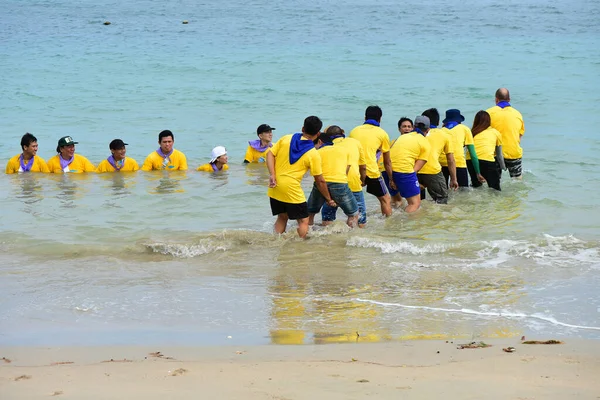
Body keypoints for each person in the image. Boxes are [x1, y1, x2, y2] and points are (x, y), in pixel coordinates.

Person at [267, 116, 335, 239]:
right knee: (304, 220)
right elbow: (320, 180)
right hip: (292, 189)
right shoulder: (313, 153)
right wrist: (328, 198)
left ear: (303, 128)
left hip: (275, 186)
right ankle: (301, 247)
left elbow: (270, 153)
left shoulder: (286, 139)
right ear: (318, 133)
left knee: (282, 217)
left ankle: (275, 243)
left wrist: (272, 174)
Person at [307, 126, 359, 228]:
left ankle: (307, 235)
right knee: (353, 214)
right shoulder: (344, 150)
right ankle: (350, 238)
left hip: (320, 184)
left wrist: (328, 197)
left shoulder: (316, 153)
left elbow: (314, 172)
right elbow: (346, 170)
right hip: (340, 184)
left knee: (309, 213)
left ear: (320, 142)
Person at [349, 105, 393, 216]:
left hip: (354, 171)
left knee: (354, 203)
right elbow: (387, 162)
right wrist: (392, 179)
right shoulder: (382, 133)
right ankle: (388, 225)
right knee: (385, 199)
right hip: (371, 172)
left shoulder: (354, 131)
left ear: (365, 118)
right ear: (380, 119)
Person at [321, 129, 368, 227]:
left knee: (328, 216)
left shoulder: (326, 146)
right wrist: (363, 181)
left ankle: (327, 240)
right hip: (354, 182)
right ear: (342, 132)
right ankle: (355, 238)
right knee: (359, 217)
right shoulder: (355, 142)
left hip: (334, 182)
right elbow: (363, 167)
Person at [388, 116, 431, 213]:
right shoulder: (425, 142)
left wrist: (392, 178)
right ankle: (405, 225)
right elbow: (414, 170)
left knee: (396, 201)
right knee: (414, 203)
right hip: (403, 172)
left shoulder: (401, 137)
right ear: (428, 130)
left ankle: (389, 220)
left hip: (387, 170)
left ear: (414, 127)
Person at [417, 109, 458, 203]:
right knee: (441, 199)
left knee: (417, 201)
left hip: (415, 170)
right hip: (433, 171)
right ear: (438, 122)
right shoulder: (445, 135)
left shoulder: (415, 134)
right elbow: (450, 160)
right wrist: (453, 179)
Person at [486, 88, 525, 179]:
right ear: (509, 99)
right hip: (513, 152)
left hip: (494, 153)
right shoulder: (517, 114)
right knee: (517, 180)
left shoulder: (488, 113)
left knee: (494, 182)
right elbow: (520, 135)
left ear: (496, 99)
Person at [441, 109, 484, 187]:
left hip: (442, 164)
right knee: (463, 192)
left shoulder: (441, 130)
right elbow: (472, 154)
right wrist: (478, 172)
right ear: (459, 120)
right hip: (459, 164)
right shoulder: (465, 129)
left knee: (443, 193)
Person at [467, 110, 505, 191]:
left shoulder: (472, 132)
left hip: (470, 161)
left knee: (476, 187)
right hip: (487, 161)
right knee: (495, 189)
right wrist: (503, 167)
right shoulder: (495, 132)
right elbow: (499, 155)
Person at [379, 117, 412, 208]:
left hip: (400, 171)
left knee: (401, 199)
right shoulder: (393, 142)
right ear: (399, 129)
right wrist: (390, 177)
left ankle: (393, 216)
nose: (407, 129)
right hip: (389, 171)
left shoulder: (414, 142)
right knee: (397, 199)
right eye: (404, 126)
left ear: (412, 129)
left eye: (409, 126)